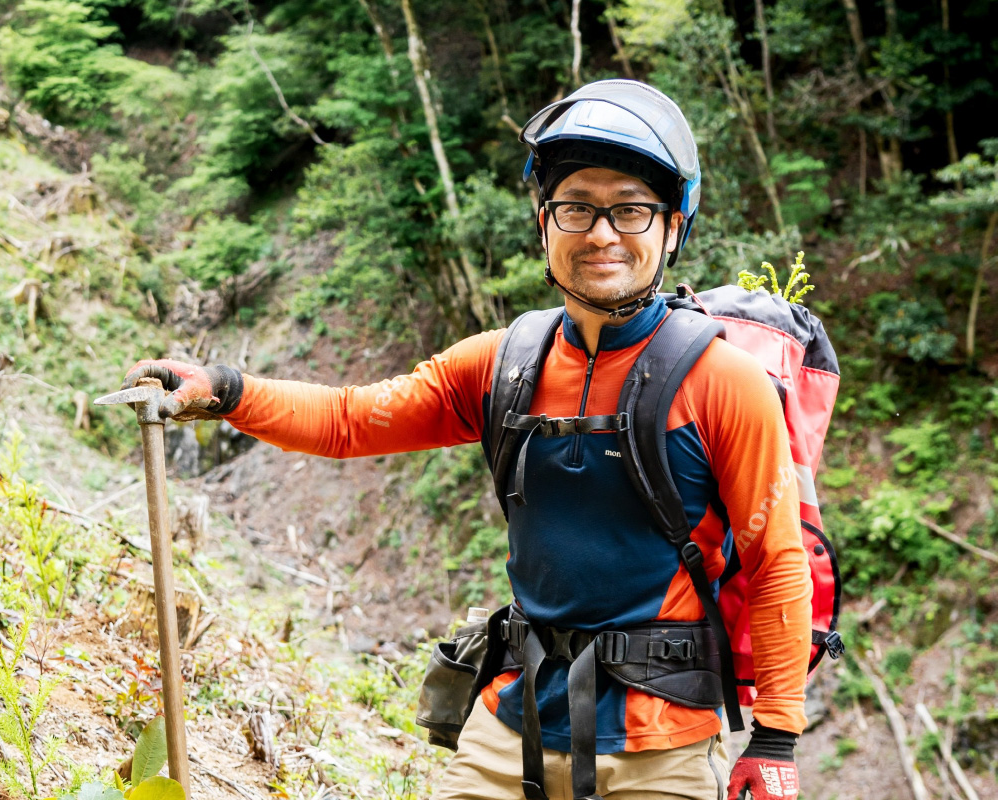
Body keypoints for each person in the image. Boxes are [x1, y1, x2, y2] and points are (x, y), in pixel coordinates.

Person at [123, 80, 813, 800]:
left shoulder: (722, 382)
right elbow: (350, 420)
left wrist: (775, 738)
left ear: (672, 228)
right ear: (545, 224)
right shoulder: (502, 365)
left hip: (663, 743)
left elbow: (776, 562)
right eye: (577, 207)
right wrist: (227, 390)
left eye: (631, 209)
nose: (602, 233)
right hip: (510, 728)